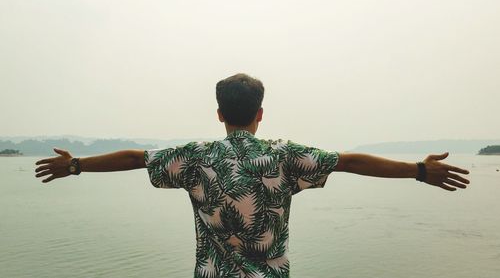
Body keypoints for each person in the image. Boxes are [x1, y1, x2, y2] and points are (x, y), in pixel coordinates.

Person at [35, 73, 470, 278]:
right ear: (260, 113)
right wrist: (417, 171)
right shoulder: (285, 156)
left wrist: (75, 165)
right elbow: (350, 161)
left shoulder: (194, 157)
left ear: (220, 113)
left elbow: (134, 157)